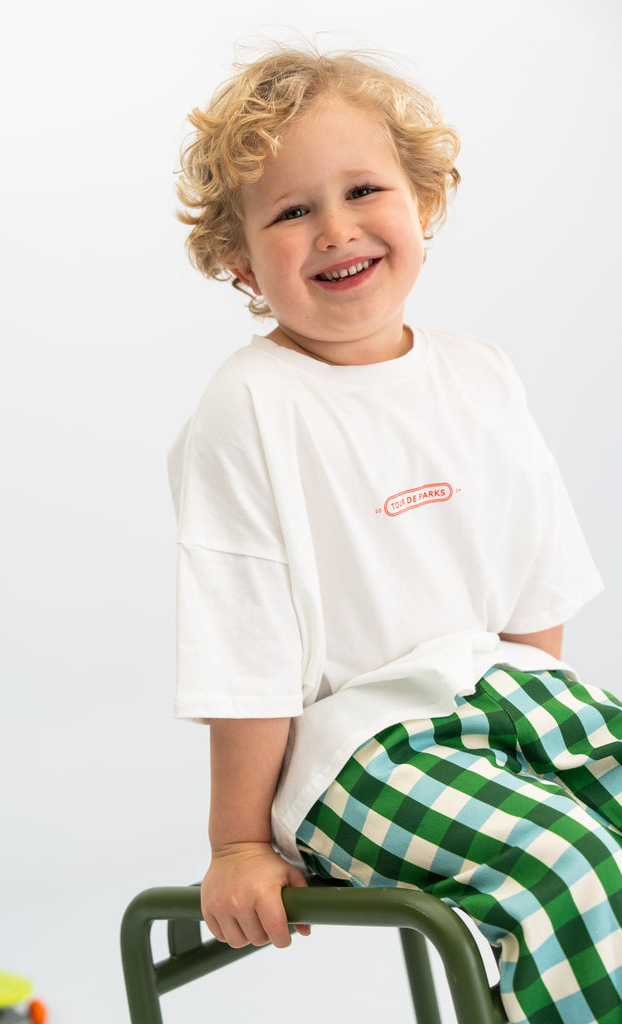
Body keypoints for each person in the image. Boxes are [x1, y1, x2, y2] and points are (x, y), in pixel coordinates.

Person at [168, 44, 622, 1024]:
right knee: (563, 861)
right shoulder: (251, 404)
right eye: (291, 211)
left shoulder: (478, 373)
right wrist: (237, 844)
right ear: (241, 261)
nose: (335, 229)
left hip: (503, 704)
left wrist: (543, 751)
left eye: (362, 190)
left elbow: (532, 587)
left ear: (422, 201)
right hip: (362, 755)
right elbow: (244, 646)